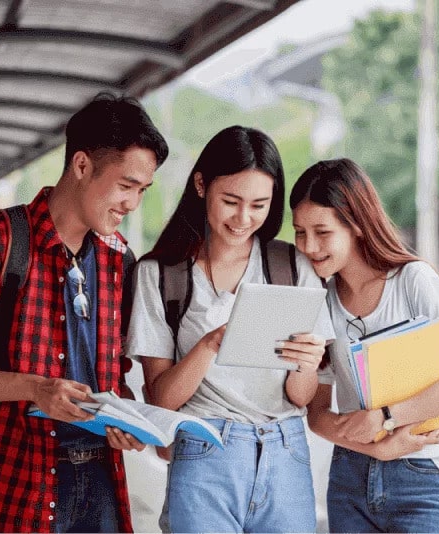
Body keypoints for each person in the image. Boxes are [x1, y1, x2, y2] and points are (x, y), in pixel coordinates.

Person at [0, 93, 169, 533]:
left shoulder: (119, 261)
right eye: (126, 186)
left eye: (143, 190)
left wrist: (126, 419)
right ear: (82, 165)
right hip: (20, 479)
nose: (133, 204)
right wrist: (34, 388)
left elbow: (113, 374)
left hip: (102, 479)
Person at [126, 125, 335, 533]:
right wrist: (210, 344)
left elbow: (299, 397)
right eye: (231, 201)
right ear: (201, 185)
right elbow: (162, 400)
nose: (244, 218)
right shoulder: (162, 274)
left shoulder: (293, 267)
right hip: (205, 451)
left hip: (286, 451)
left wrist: (307, 365)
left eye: (259, 204)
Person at [290, 158, 439, 533]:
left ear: (357, 225)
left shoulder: (414, 281)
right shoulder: (320, 299)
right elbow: (317, 416)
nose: (309, 246)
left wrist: (385, 417)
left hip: (426, 474)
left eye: (322, 232)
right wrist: (377, 448)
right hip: (351, 478)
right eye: (300, 232)